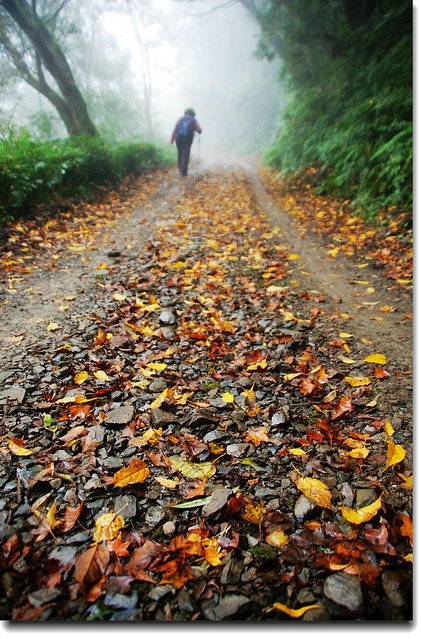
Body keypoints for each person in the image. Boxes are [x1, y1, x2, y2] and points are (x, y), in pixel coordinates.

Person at [171, 108, 202, 176]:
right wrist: (199, 130)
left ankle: (180, 169)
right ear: (193, 114)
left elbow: (175, 129)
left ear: (185, 113)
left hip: (178, 139)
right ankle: (184, 172)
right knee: (186, 154)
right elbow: (199, 130)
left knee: (180, 153)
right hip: (187, 140)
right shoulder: (193, 120)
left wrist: (172, 139)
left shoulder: (180, 119)